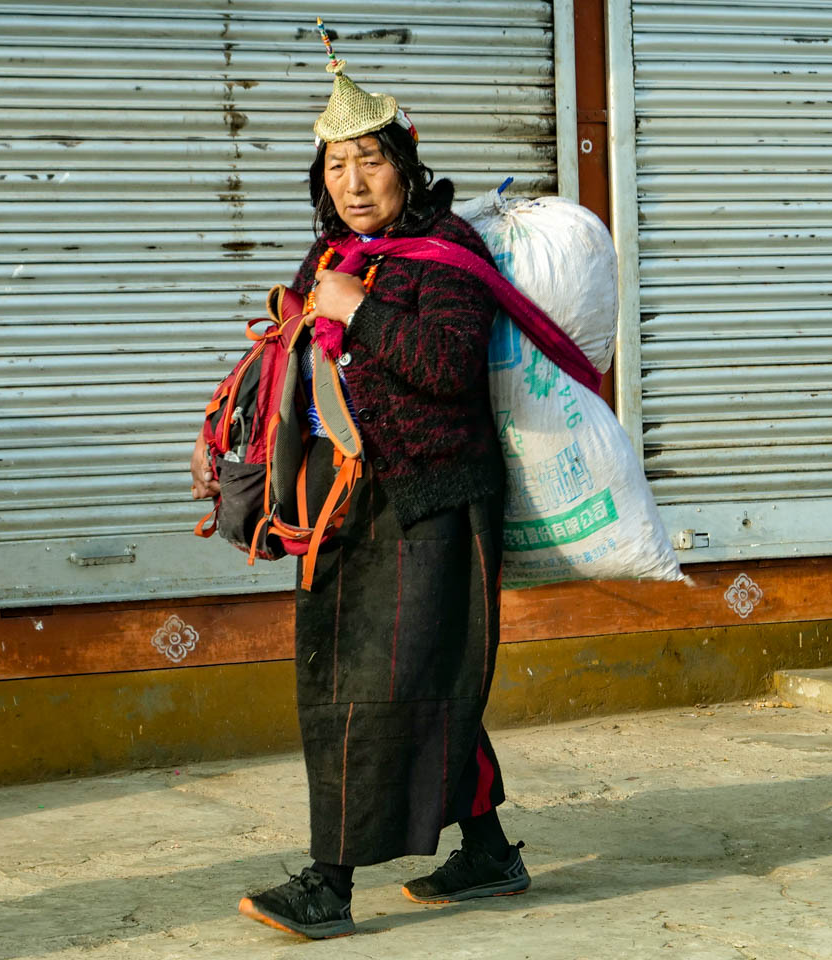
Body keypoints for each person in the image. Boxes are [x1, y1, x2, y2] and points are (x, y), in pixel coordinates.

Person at [191, 33, 528, 940]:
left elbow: (450, 364)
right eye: (336, 165)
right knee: (412, 682)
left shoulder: (447, 250)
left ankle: (330, 886)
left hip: (430, 502)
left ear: (404, 167)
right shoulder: (325, 258)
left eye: (369, 161)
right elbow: (290, 372)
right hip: (344, 506)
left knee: (370, 692)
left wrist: (360, 311)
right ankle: (489, 853)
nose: (352, 181)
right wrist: (229, 438)